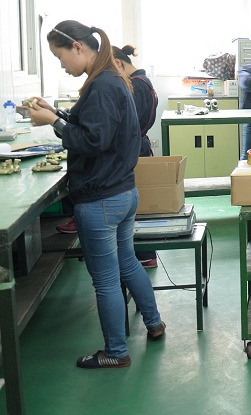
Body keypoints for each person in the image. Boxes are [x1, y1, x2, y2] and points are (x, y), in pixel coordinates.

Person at [25, 20, 165, 369]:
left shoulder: (101, 85)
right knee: (127, 262)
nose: (61, 65)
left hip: (100, 198)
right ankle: (154, 323)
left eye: (60, 57)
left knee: (105, 279)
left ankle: (116, 352)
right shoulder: (111, 79)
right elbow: (94, 126)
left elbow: (92, 140)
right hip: (122, 191)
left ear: (77, 47)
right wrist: (55, 113)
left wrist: (53, 123)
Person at [113, 44, 160, 267]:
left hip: (135, 149)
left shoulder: (137, 86)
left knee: (138, 209)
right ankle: (142, 254)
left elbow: (129, 123)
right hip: (138, 146)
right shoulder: (140, 82)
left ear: (118, 64)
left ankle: (145, 254)